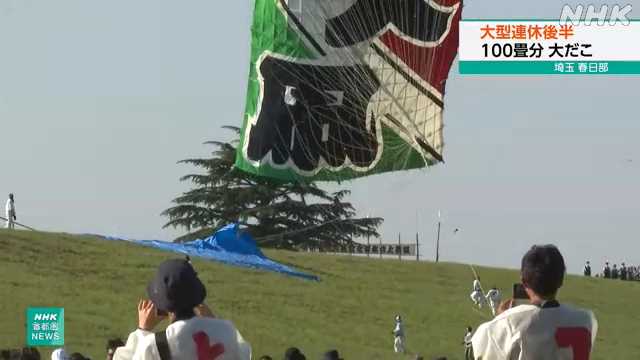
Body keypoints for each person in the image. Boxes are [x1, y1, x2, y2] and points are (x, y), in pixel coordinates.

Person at [471, 245, 598, 359]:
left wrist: (501, 318)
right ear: (561, 280)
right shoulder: (585, 320)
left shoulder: (508, 324)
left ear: (523, 281)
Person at [113, 259, 251, 360]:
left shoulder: (154, 345)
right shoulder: (227, 330)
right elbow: (245, 354)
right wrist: (212, 321)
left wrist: (142, 331)